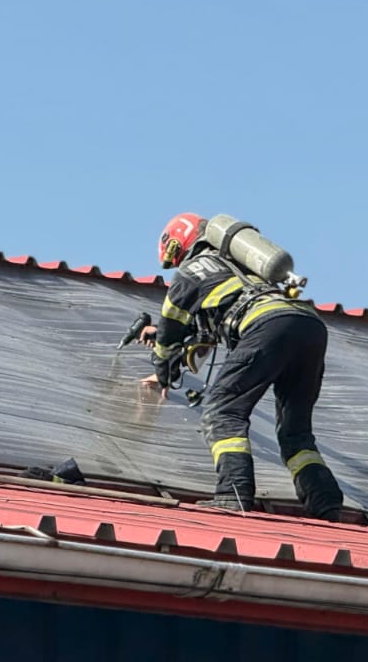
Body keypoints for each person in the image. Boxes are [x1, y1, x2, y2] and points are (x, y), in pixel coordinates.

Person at [138, 212, 344, 521]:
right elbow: (206, 336)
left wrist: (163, 372)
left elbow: (170, 329)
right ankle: (325, 504)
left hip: (266, 326)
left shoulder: (191, 270)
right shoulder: (240, 265)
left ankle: (232, 494)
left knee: (222, 412)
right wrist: (173, 351)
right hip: (308, 325)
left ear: (179, 247)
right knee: (295, 431)